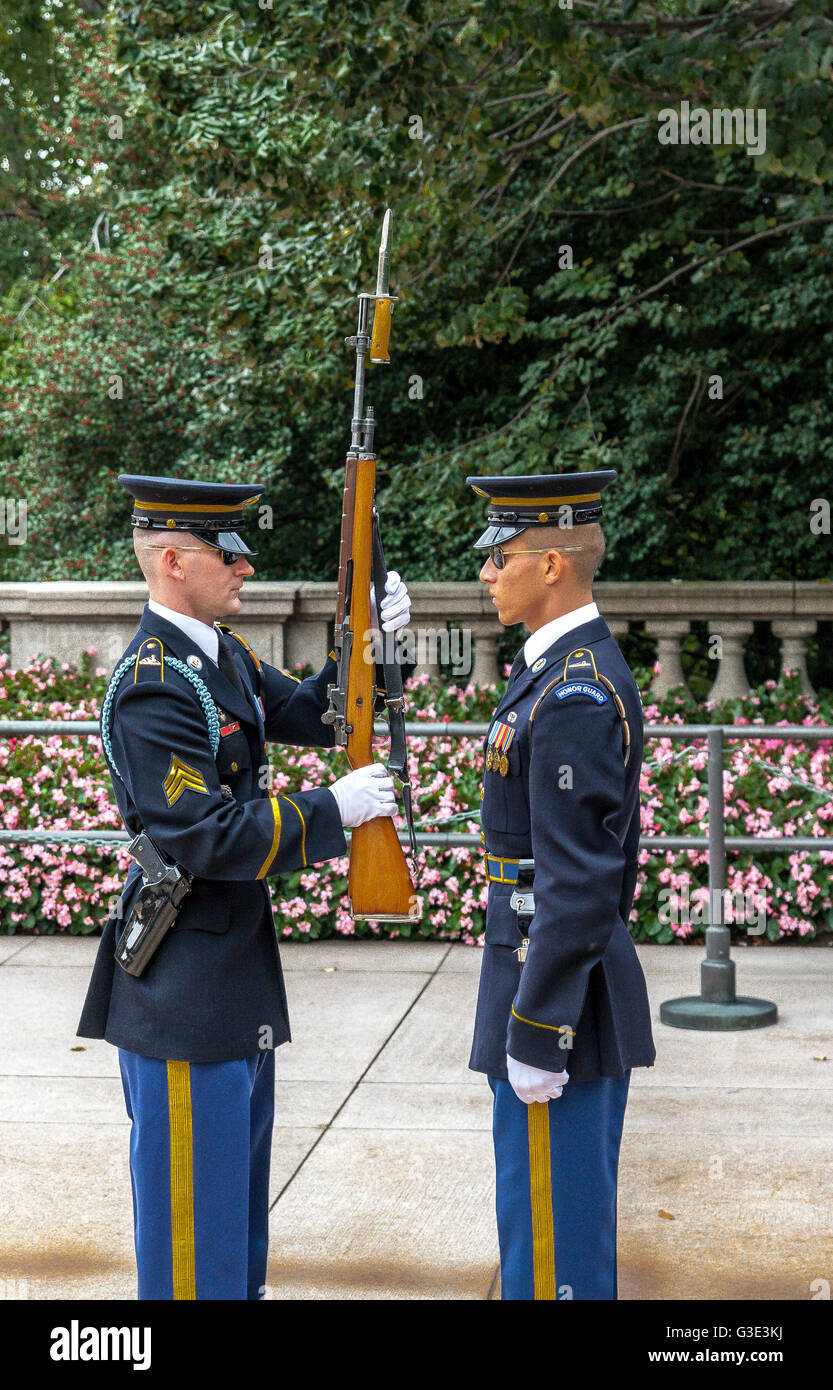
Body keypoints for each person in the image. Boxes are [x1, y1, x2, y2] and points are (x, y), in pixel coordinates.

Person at [78, 473, 411, 1300]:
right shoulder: (156, 682)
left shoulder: (218, 655)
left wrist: (375, 646)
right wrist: (328, 809)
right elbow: (202, 838)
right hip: (185, 991)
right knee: (194, 1235)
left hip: (228, 977)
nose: (245, 565)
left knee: (231, 1218)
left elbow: (322, 713)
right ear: (170, 560)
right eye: (226, 552)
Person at [466, 470, 655, 1301]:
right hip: (548, 975)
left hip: (557, 999)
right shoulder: (556, 669)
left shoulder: (573, 689)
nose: (485, 573)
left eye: (498, 557)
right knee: (541, 1229)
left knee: (553, 1255)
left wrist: (540, 1030)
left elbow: (579, 882)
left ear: (551, 565)